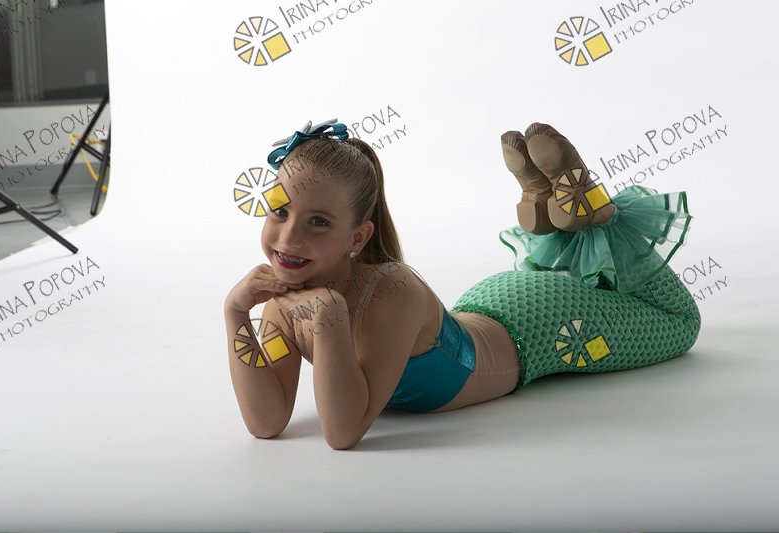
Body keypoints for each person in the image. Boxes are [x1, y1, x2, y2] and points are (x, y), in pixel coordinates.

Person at [223, 119, 701, 450]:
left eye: (318, 222)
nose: (289, 237)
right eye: (279, 211)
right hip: (486, 304)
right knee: (594, 280)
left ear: (358, 237)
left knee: (678, 322)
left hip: (544, 330)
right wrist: (236, 314)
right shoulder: (281, 304)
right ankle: (546, 199)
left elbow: (342, 432)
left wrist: (328, 320)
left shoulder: (391, 292)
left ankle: (596, 210)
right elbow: (267, 421)